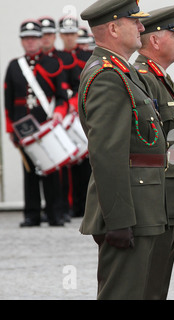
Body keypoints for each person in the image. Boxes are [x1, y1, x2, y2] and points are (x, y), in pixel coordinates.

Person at [78, 0, 168, 299]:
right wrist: (119, 221)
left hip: (141, 205)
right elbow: (107, 154)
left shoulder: (120, 72)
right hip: (129, 211)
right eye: (136, 22)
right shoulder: (107, 76)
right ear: (114, 28)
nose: (143, 28)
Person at [133, 4, 174, 299]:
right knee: (147, 285)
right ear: (155, 39)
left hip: (169, 197)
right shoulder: (141, 76)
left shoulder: (160, 77)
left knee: (158, 285)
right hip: (154, 200)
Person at [4, 19, 68, 227]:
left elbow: (61, 96)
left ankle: (55, 214)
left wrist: (59, 113)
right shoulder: (14, 66)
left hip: (46, 124)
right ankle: (31, 214)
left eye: (34, 38)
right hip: (23, 125)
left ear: (41, 40)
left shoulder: (53, 64)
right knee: (29, 170)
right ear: (22, 42)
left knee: (51, 169)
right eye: (26, 39)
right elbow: (8, 101)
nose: (30, 42)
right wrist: (10, 129)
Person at [59, 16, 93, 219]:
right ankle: (67, 206)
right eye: (66, 34)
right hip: (63, 116)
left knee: (85, 163)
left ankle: (83, 206)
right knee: (65, 164)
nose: (70, 38)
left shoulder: (87, 57)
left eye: (72, 34)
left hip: (83, 114)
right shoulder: (56, 59)